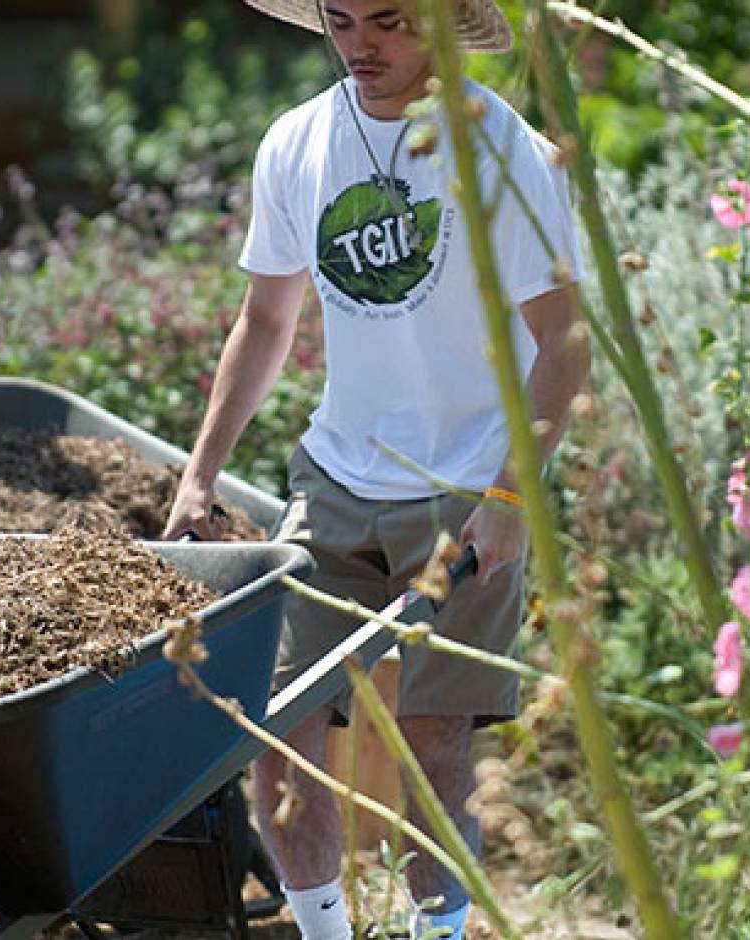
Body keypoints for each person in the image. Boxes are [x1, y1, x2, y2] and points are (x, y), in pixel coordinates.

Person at [161, 2, 589, 939]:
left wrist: (511, 496)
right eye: (343, 20)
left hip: (468, 485)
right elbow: (266, 321)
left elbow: (565, 343)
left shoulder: (499, 151)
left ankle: (437, 933)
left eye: (389, 22)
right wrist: (200, 477)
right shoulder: (298, 142)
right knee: (279, 727)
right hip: (337, 479)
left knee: (435, 752)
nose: (361, 46)